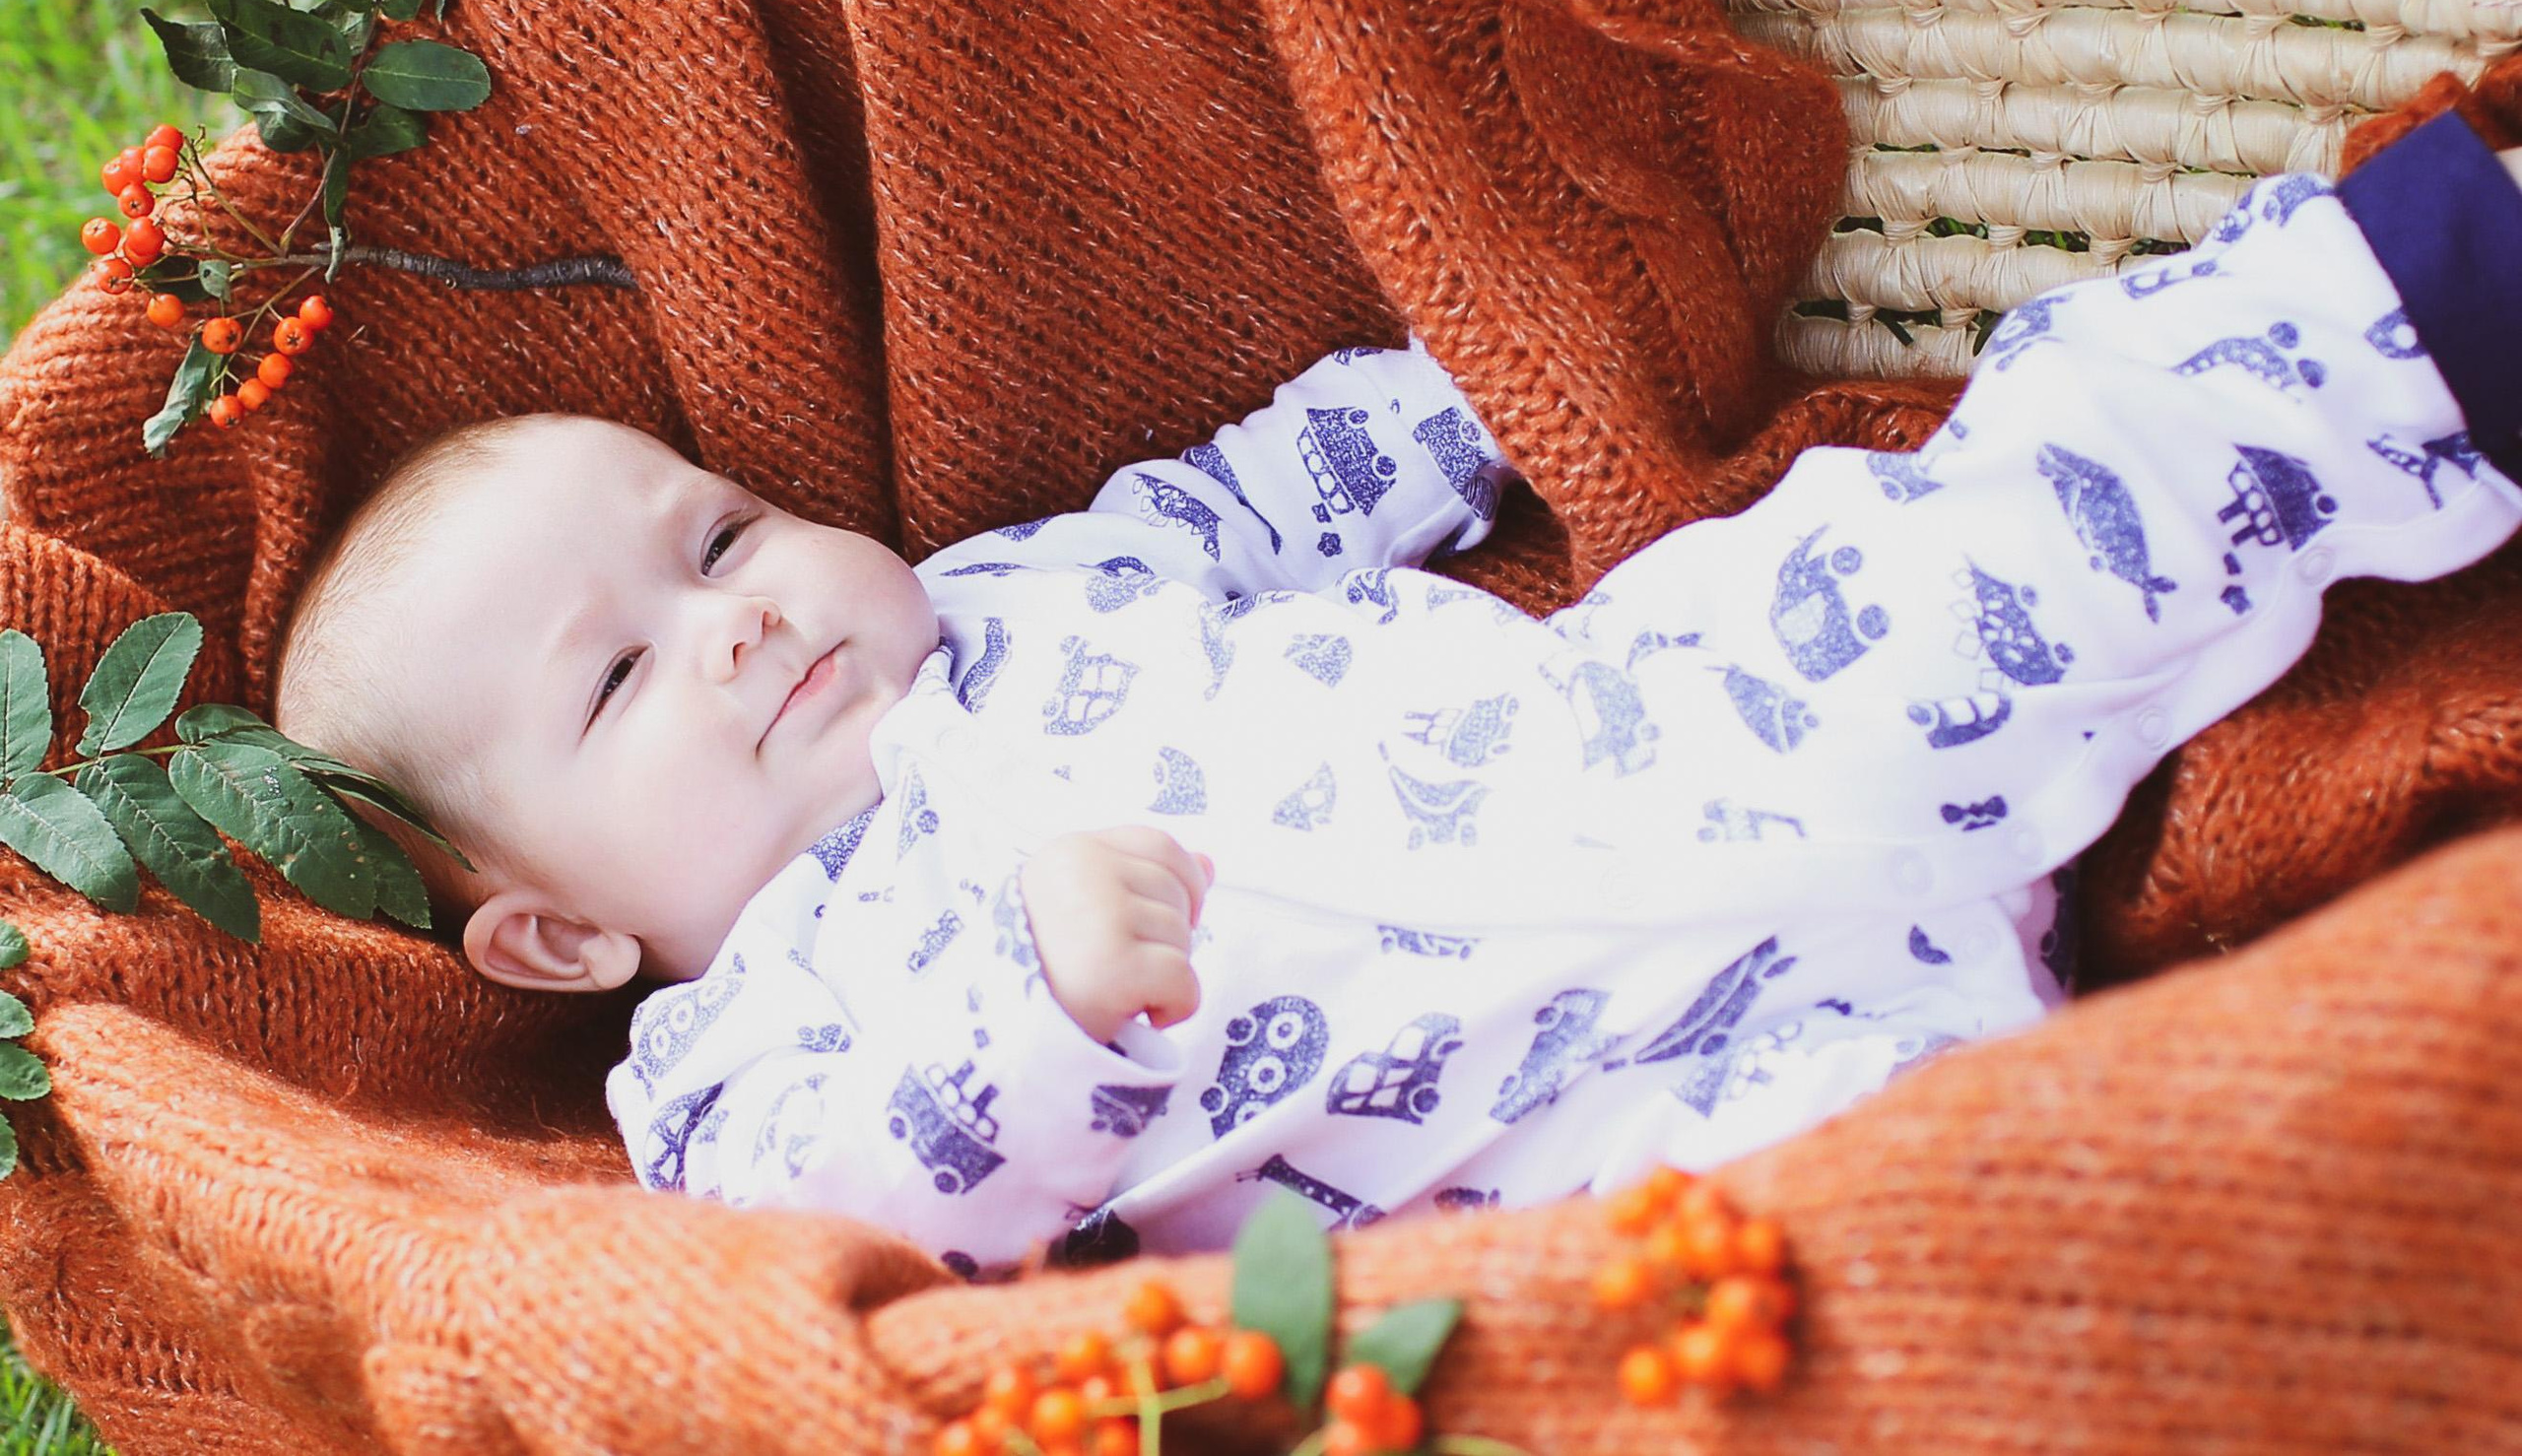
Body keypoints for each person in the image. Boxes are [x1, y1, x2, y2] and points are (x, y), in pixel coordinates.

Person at [274, 109, 2522, 1277]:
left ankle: (2412, 302)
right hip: (1589, 1123)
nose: (740, 621)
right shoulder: (734, 1057)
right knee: (1895, 1252)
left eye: (722, 534)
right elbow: (848, 1220)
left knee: (1988, 516)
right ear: (561, 931)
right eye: (624, 680)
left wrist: (1483, 367)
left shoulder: (1018, 587)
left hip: (1703, 724)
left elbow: (1265, 489)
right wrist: (1034, 1010)